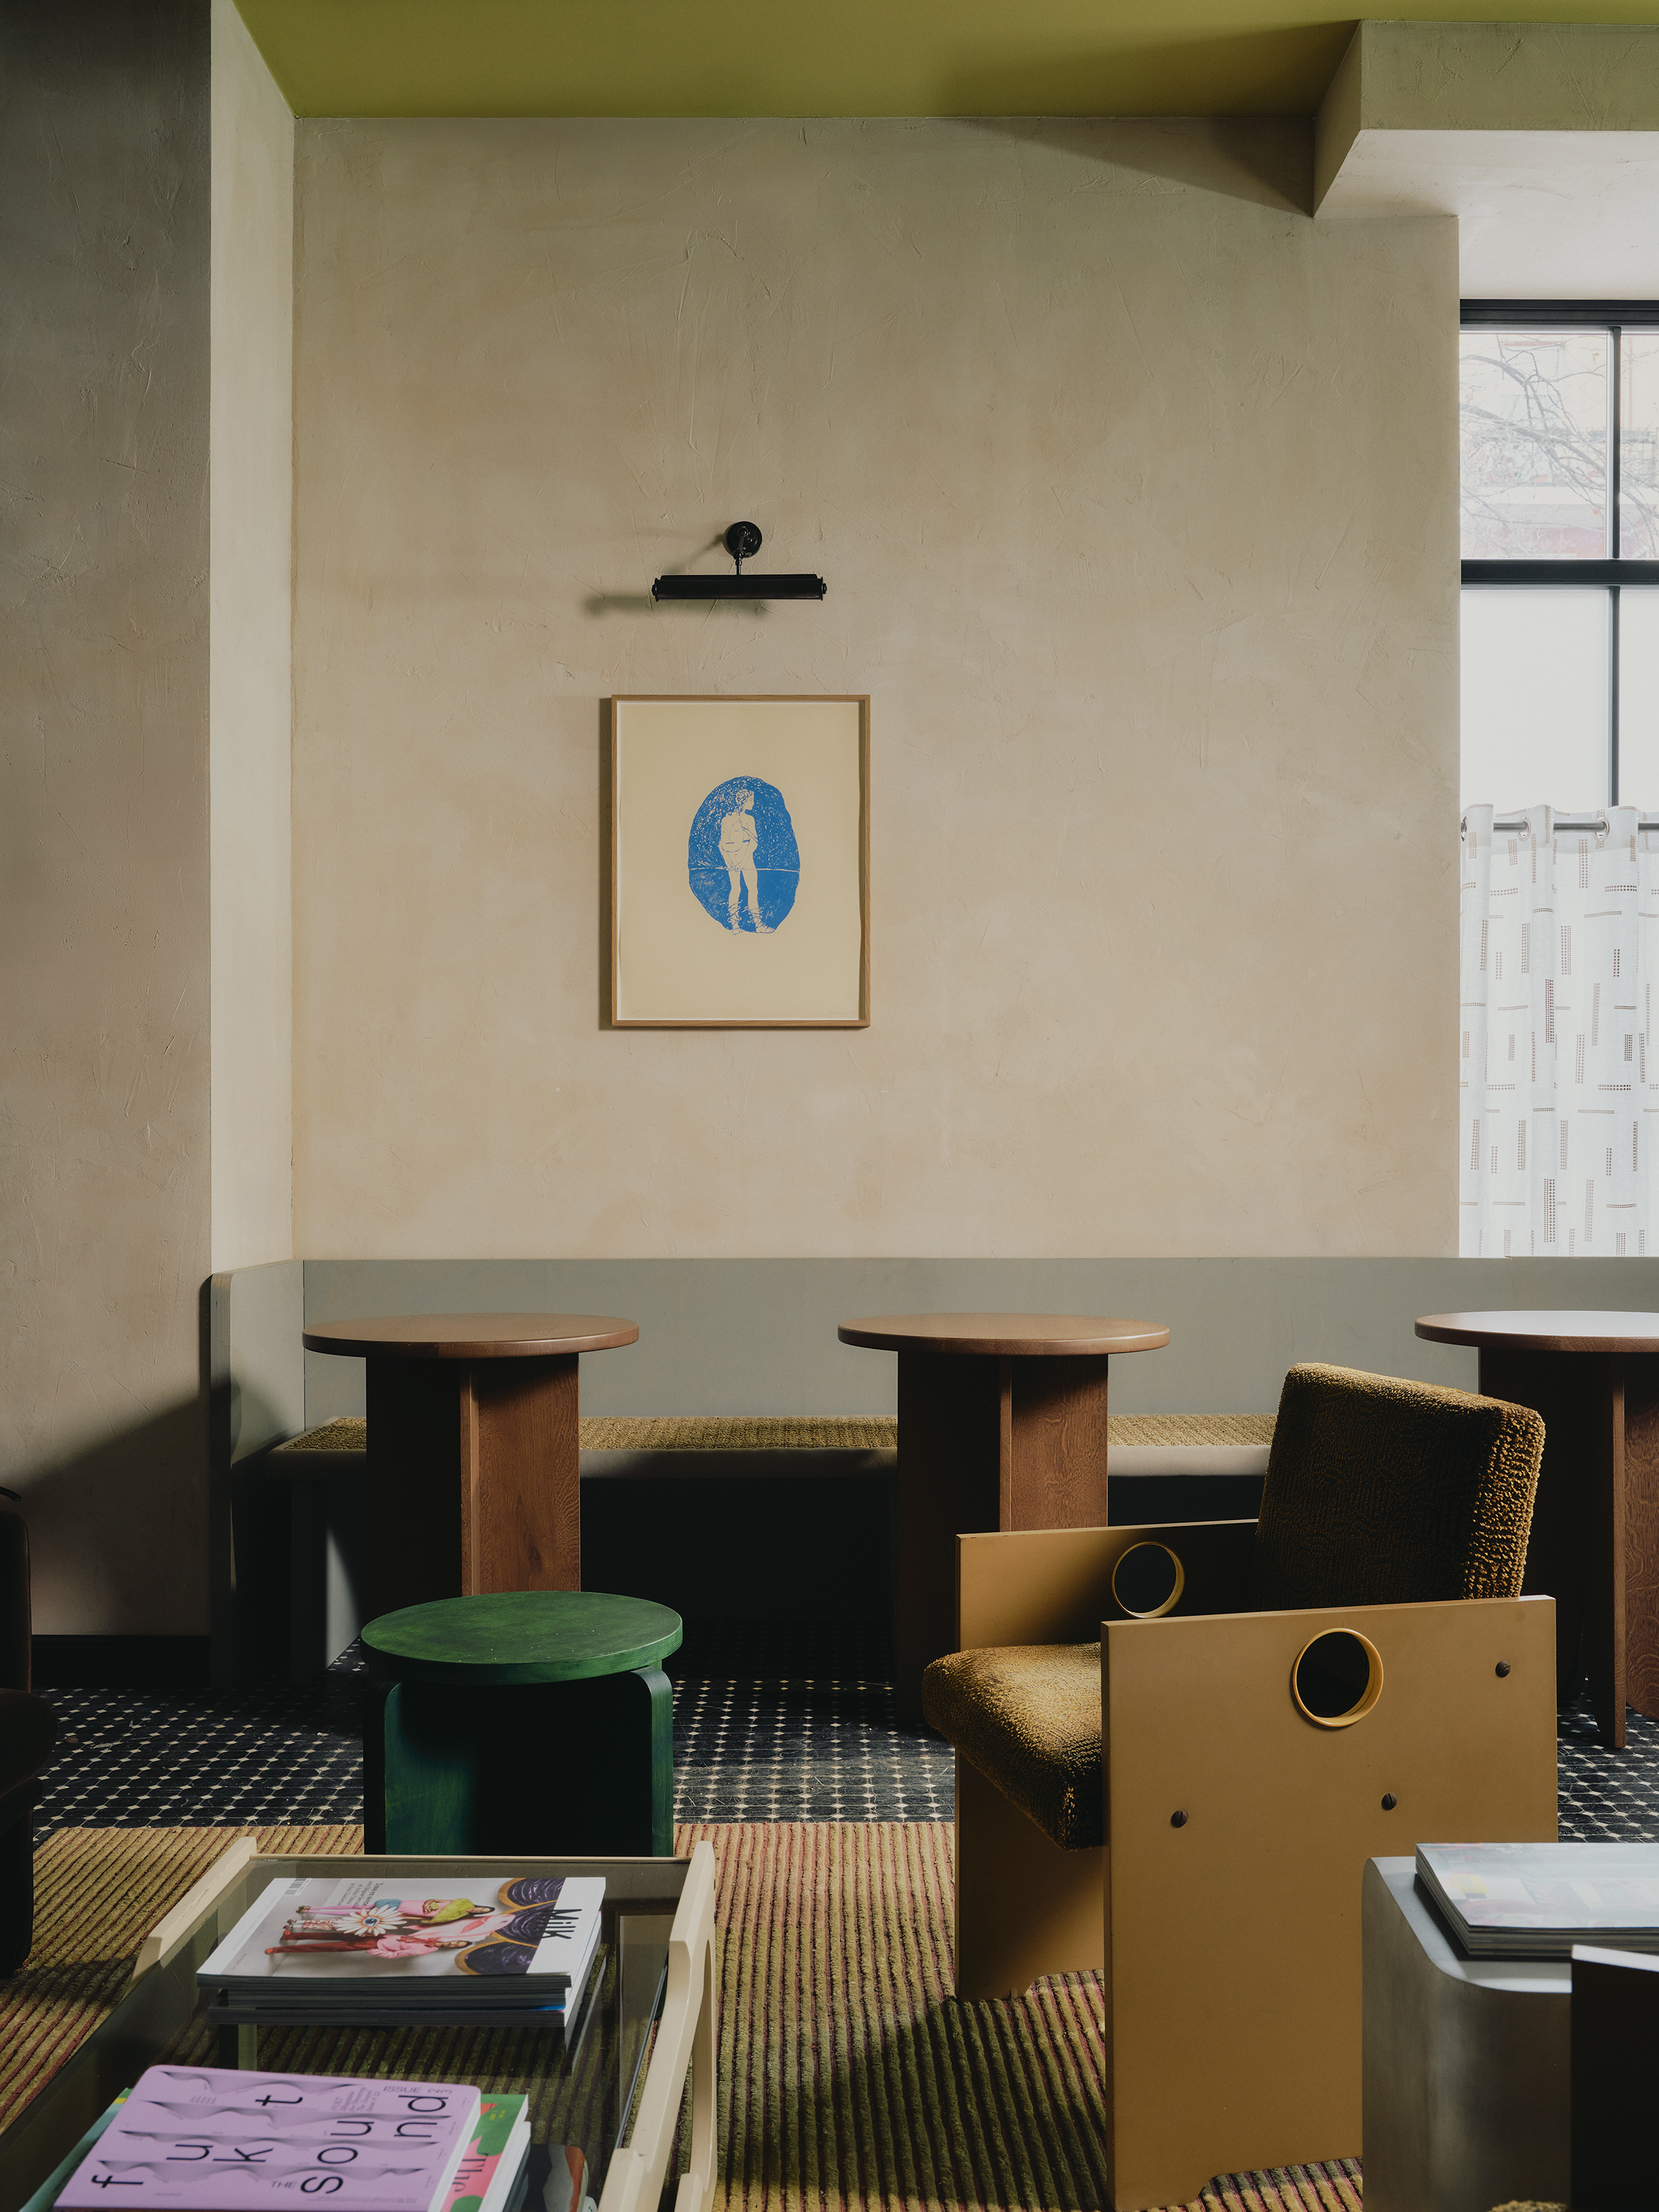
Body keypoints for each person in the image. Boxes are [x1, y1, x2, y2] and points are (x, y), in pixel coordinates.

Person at [716, 788, 771, 933]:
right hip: (745, 857)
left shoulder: (727, 818)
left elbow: (721, 845)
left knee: (736, 889)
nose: (753, 803)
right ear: (743, 801)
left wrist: (730, 862)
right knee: (752, 889)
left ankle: (736, 927)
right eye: (751, 800)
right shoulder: (748, 819)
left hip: (733, 857)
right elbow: (754, 843)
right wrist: (741, 861)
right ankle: (758, 925)